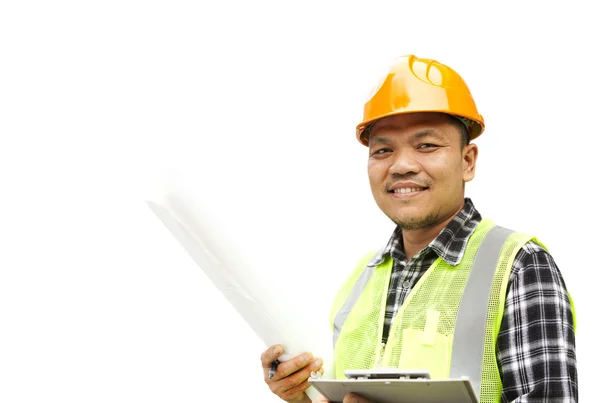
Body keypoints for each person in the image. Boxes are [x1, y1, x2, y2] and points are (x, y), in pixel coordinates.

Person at [260, 54, 578, 403]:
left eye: (426, 145)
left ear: (467, 160)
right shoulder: (360, 280)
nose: (402, 165)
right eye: (383, 150)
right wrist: (302, 395)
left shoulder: (518, 265)